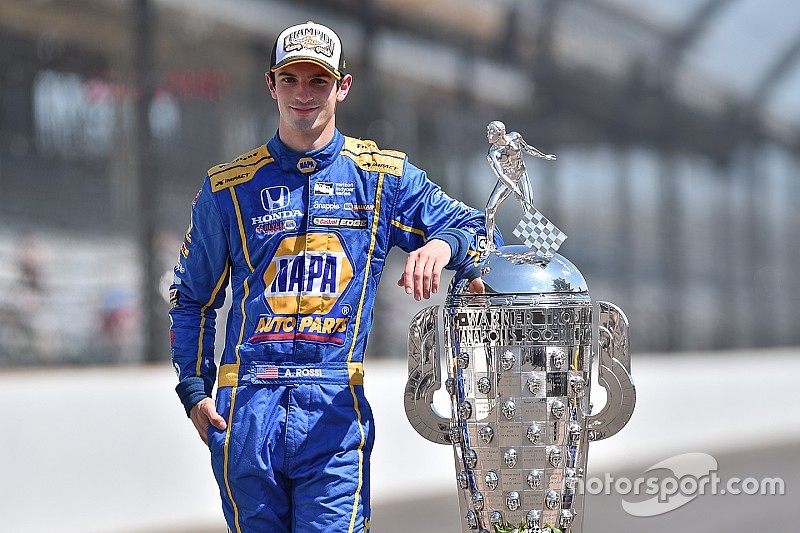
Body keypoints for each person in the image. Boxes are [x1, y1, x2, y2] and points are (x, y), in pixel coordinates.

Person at [169, 21, 498, 533]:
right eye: (292, 79)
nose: (304, 94)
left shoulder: (381, 176)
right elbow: (190, 299)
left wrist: (441, 245)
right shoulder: (228, 189)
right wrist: (194, 390)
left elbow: (478, 229)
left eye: (318, 80)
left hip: (333, 410)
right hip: (246, 409)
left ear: (342, 87)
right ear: (271, 84)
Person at [484, 120, 556, 244]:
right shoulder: (493, 153)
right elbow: (501, 175)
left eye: (491, 132)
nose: (488, 136)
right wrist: (515, 189)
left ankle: (542, 244)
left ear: (500, 133)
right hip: (506, 181)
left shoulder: (515, 137)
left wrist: (544, 156)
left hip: (521, 175)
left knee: (528, 208)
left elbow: (527, 148)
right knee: (489, 209)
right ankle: (490, 245)